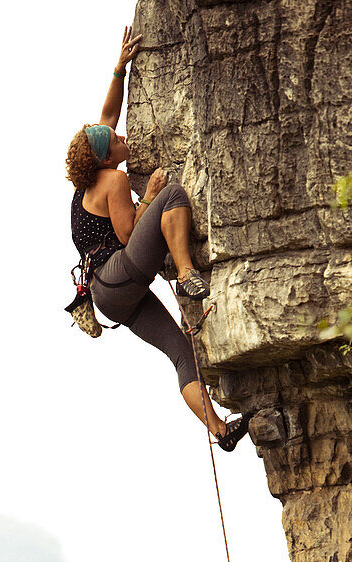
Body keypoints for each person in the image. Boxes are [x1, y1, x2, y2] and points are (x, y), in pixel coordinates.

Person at [66, 27, 250, 451]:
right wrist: (147, 196)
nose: (122, 136)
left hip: (106, 294)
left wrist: (120, 68)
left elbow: (106, 118)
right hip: (119, 273)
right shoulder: (113, 181)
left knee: (181, 352)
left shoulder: (86, 184)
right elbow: (130, 235)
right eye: (116, 142)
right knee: (171, 193)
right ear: (106, 158)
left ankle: (222, 432)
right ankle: (187, 271)